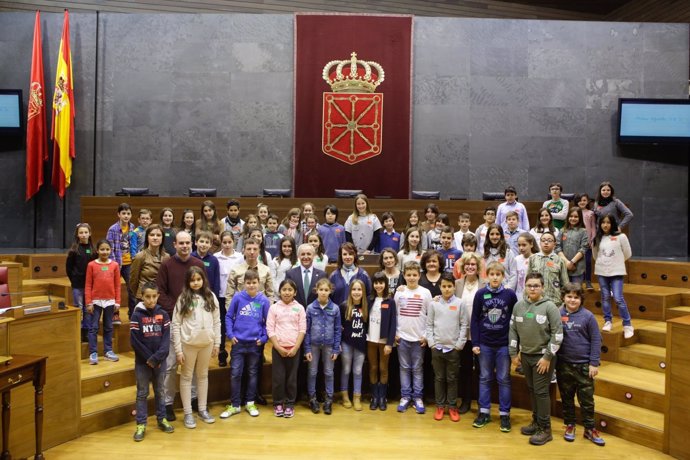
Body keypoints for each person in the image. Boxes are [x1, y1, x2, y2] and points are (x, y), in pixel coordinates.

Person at [156, 231, 204, 421]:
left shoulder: (198, 264)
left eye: (187, 243)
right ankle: (167, 402)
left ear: (191, 244)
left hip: (194, 324)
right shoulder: (166, 264)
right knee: (170, 365)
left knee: (192, 364)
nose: (184, 246)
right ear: (174, 245)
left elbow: (203, 290)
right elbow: (160, 291)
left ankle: (192, 398)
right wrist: (178, 310)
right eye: (181, 243)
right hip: (173, 322)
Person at [509, 273, 563, 446]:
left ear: (542, 287)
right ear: (525, 286)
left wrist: (547, 357)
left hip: (542, 358)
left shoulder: (550, 307)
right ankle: (536, 422)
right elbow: (513, 330)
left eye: (536, 286)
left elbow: (558, 335)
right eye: (529, 285)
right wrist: (513, 353)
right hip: (525, 356)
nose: (532, 288)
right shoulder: (518, 306)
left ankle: (545, 429)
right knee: (532, 390)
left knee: (541, 392)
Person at [172, 266, 221, 429]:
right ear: (187, 282)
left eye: (198, 279)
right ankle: (187, 413)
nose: (195, 283)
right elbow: (176, 324)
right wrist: (178, 350)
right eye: (192, 280)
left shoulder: (210, 297)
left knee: (202, 376)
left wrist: (217, 343)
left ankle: (202, 409)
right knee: (186, 377)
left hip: (207, 344)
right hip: (188, 345)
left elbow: (216, 322)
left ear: (203, 280)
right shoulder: (183, 299)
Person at [556, 283, 605, 446]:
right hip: (563, 364)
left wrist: (594, 363)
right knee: (567, 398)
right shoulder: (557, 313)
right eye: (569, 296)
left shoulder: (588, 316)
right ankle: (570, 425)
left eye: (576, 297)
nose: (572, 300)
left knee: (587, 400)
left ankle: (590, 428)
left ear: (581, 299)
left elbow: (596, 340)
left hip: (584, 366)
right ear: (563, 297)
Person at [470, 262, 517, 432]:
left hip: (504, 345)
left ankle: (505, 415)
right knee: (484, 378)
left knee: (504, 379)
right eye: (492, 274)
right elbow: (475, 319)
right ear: (487, 276)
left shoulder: (510, 295)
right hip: (485, 344)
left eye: (498, 274)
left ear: (503, 276)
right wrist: (475, 342)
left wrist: (514, 345)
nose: (495, 277)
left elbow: (515, 320)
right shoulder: (481, 294)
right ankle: (484, 413)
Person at [221, 269, 270, 419]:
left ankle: (250, 402)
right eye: (248, 283)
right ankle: (235, 405)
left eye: (254, 283)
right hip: (238, 343)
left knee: (253, 373)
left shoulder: (264, 301)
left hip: (255, 344)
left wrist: (264, 338)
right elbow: (229, 317)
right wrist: (230, 334)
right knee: (236, 373)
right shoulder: (237, 298)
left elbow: (269, 323)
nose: (251, 285)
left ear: (259, 283)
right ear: (243, 284)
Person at [130, 282, 174, 441]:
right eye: (147, 297)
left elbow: (165, 341)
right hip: (143, 363)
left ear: (158, 296)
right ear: (142, 296)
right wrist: (150, 359)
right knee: (142, 393)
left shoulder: (164, 315)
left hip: (159, 363)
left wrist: (157, 359)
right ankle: (141, 424)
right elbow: (135, 342)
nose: (151, 300)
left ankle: (162, 418)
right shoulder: (136, 316)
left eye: (154, 296)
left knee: (160, 391)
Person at [426, 272, 468, 422]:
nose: (447, 289)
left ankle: (452, 406)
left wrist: (459, 345)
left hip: (453, 349)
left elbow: (464, 325)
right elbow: (429, 325)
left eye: (449, 286)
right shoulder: (434, 304)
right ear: (440, 287)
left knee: (452, 378)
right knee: (439, 378)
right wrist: (431, 343)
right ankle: (439, 406)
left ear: (454, 287)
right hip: (437, 348)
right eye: (444, 286)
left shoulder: (460, 303)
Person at [394, 261, 432, 415]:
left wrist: (427, 336)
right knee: (404, 368)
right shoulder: (399, 292)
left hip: (419, 338)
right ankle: (405, 396)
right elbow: (395, 315)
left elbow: (431, 316)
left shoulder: (425, 293)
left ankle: (417, 397)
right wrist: (395, 333)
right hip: (402, 337)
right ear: (404, 276)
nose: (411, 278)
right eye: (408, 275)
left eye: (414, 275)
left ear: (419, 276)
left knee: (417, 369)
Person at [267, 279, 307, 418]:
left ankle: (290, 404)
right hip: (278, 349)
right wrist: (277, 347)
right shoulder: (274, 308)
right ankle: (278, 403)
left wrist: (296, 347)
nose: (287, 292)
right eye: (284, 289)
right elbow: (270, 328)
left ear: (295, 292)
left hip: (294, 349)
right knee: (278, 378)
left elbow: (302, 329)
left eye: (290, 290)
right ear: (279, 291)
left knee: (291, 378)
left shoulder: (300, 308)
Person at [454, 251, 486, 414]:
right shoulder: (457, 284)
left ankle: (482, 403)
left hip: (480, 334)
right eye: (467, 264)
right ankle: (465, 401)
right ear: (463, 266)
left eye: (473, 264)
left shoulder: (485, 284)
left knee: (481, 370)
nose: (470, 267)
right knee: (465, 369)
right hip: (462, 334)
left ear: (478, 267)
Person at [593, 214, 634, 338]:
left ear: (613, 224)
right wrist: (603, 263)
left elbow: (627, 253)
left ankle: (627, 325)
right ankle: (608, 321)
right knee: (605, 297)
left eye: (608, 222)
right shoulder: (598, 238)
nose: (605, 225)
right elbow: (595, 255)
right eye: (603, 222)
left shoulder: (621, 237)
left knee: (618, 298)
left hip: (616, 272)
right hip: (601, 271)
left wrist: (616, 262)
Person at [305, 278, 341, 415]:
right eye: (321, 290)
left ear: (330, 291)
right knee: (312, 372)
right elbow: (306, 330)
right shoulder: (310, 308)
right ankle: (312, 398)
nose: (324, 293)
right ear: (316, 291)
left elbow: (338, 330)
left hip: (329, 346)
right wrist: (307, 349)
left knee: (328, 372)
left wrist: (336, 349)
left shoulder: (335, 308)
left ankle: (328, 400)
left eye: (326, 290)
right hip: (313, 345)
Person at [85, 239, 121, 365]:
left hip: (110, 301)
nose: (105, 252)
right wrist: (88, 302)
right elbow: (88, 285)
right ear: (97, 250)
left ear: (111, 250)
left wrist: (117, 301)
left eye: (107, 249)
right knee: (93, 328)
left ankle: (108, 350)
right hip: (95, 301)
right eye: (102, 249)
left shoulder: (115, 265)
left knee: (108, 327)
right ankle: (93, 352)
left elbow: (117, 285)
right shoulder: (91, 265)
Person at [367, 272, 397, 411]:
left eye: (381, 282)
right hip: (370, 339)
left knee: (383, 368)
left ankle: (382, 397)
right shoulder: (369, 299)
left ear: (385, 284)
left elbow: (393, 323)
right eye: (376, 283)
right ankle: (374, 396)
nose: (378, 285)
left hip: (384, 341)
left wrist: (390, 343)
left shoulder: (390, 301)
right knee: (373, 367)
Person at [214, 231, 244, 367]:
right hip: (220, 296)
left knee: (235, 326)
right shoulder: (216, 257)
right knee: (221, 326)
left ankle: (235, 354)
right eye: (224, 242)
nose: (227, 245)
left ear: (234, 242)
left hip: (235, 297)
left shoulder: (240, 257)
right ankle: (222, 354)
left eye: (229, 242)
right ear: (221, 243)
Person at [339, 279, 369, 411]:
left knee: (357, 371)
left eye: (359, 289)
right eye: (354, 289)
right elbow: (338, 327)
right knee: (346, 370)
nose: (356, 292)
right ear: (350, 291)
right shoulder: (344, 306)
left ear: (363, 291)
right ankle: (345, 395)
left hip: (361, 344)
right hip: (346, 343)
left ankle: (357, 397)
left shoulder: (367, 306)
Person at [106, 202, 137, 321]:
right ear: (118, 214)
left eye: (128, 213)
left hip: (129, 263)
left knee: (132, 289)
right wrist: (115, 264)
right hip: (116, 264)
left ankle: (132, 314)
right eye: (123, 213)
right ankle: (115, 313)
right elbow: (110, 248)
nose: (126, 216)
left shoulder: (133, 227)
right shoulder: (113, 229)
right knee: (115, 289)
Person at [66, 222, 96, 343]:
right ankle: (78, 330)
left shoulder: (93, 250)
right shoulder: (74, 250)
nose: (83, 235)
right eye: (81, 233)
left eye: (85, 232)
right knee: (78, 307)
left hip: (90, 286)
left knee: (88, 309)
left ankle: (86, 331)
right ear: (77, 235)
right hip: (77, 285)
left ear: (90, 234)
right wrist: (74, 279)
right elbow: (68, 268)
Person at [129, 224, 170, 303]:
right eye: (152, 235)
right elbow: (133, 281)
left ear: (162, 238)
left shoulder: (167, 257)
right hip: (143, 298)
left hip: (160, 297)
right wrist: (141, 295)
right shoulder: (140, 256)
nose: (155, 238)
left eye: (158, 235)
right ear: (147, 237)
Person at [527, 232, 569, 305]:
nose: (546, 242)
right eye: (543, 240)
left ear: (554, 244)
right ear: (540, 243)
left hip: (554, 301)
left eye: (549, 240)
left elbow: (565, 283)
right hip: (536, 300)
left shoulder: (560, 260)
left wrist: (564, 300)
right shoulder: (532, 258)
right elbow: (528, 281)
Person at [328, 242, 372, 306]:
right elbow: (329, 298)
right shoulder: (333, 276)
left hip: (358, 314)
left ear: (355, 255)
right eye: (345, 254)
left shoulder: (364, 275)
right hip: (338, 314)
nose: (348, 257)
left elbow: (369, 297)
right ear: (341, 256)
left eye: (350, 254)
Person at [285, 243, 327, 308]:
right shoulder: (290, 274)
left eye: (309, 254)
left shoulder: (322, 275)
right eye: (303, 254)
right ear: (298, 256)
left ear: (313, 256)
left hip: (316, 313)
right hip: (295, 312)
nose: (306, 257)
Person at [558, 208, 589, 284]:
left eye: (576, 217)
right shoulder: (562, 230)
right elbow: (557, 247)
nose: (573, 218)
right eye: (571, 216)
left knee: (576, 292)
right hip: (564, 267)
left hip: (577, 268)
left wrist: (572, 262)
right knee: (564, 292)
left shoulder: (583, 231)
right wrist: (567, 262)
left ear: (580, 218)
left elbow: (583, 249)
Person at [483, 224, 517, 290]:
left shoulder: (508, 252)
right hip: (489, 290)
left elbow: (513, 273)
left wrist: (509, 289)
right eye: (492, 234)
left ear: (501, 236)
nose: (495, 237)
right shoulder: (485, 253)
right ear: (488, 236)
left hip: (505, 289)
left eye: (497, 234)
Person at [574, 193, 597, 290]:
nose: (582, 202)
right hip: (576, 242)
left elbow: (593, 228)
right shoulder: (574, 213)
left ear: (587, 201)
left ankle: (588, 281)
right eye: (580, 200)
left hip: (587, 243)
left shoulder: (590, 213)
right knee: (577, 261)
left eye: (584, 200)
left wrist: (592, 239)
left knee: (587, 262)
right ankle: (577, 280)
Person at [192, 231, 221, 300]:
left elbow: (216, 281)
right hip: (192, 294)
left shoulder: (214, 260)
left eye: (207, 242)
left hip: (208, 295)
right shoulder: (190, 257)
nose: (204, 244)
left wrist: (214, 297)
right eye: (201, 241)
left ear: (211, 245)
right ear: (196, 242)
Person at [514, 232, 538, 301]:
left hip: (531, 294)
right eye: (519, 245)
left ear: (531, 244)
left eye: (524, 245)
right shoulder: (516, 259)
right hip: (518, 295)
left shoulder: (536, 258)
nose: (521, 248)